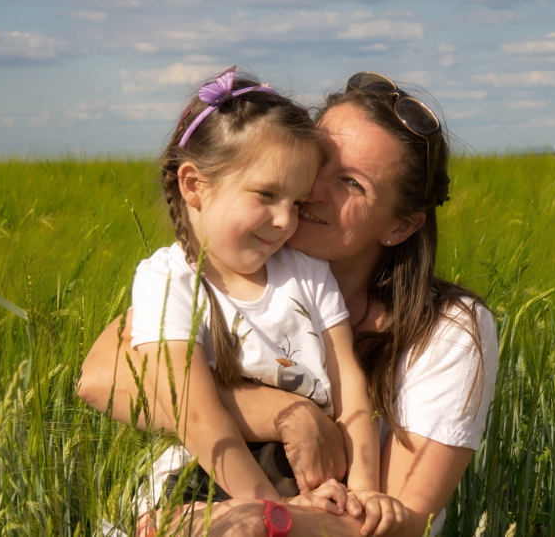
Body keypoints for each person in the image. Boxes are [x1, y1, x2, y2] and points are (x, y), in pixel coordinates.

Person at [78, 72, 499, 537]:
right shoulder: (205, 272)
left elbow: (402, 518)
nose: (310, 192)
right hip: (187, 502)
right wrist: (290, 416)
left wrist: (265, 517)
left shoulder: (447, 328)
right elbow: (101, 379)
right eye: (315, 162)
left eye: (351, 184)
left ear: (399, 227)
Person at [123, 67, 397, 531]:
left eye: (295, 202)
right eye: (266, 195)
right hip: (206, 480)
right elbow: (195, 413)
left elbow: (350, 387)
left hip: (313, 484)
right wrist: (271, 510)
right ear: (194, 185)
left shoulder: (308, 274)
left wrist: (364, 489)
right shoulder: (168, 281)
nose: (283, 221)